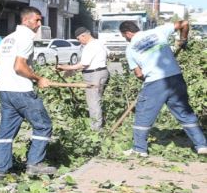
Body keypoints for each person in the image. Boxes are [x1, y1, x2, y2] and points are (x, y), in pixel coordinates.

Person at [0, 7, 56, 179]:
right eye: (37, 20)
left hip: (6, 91)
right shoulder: (25, 38)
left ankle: (0, 171)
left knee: (6, 132)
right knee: (43, 125)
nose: (40, 24)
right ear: (26, 21)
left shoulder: (9, 38)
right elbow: (19, 66)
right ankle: (34, 164)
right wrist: (38, 78)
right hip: (22, 91)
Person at [120, 19, 207, 157]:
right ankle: (202, 145)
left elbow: (138, 74)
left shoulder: (130, 49)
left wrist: (147, 79)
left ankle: (139, 149)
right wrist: (183, 39)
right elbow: (184, 23)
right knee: (185, 113)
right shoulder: (157, 31)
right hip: (176, 78)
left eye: (124, 37)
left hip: (155, 82)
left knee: (143, 114)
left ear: (128, 33)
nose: (125, 40)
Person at [57, 26, 109, 130]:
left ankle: (96, 129)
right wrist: (70, 70)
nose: (78, 41)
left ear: (84, 36)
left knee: (93, 102)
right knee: (96, 100)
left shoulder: (90, 46)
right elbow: (109, 54)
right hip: (102, 72)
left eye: (78, 39)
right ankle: (99, 124)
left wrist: (66, 67)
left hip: (94, 75)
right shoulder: (99, 43)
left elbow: (83, 64)